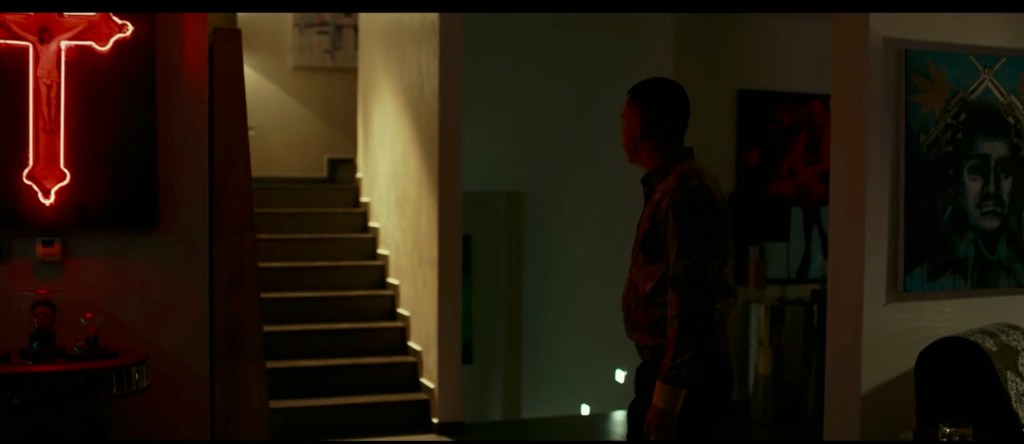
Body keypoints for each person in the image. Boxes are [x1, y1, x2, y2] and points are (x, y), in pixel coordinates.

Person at [619, 77, 737, 440]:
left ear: (640, 124)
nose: (621, 129)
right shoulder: (671, 188)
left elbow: (691, 297)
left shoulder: (684, 190)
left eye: (624, 119)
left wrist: (668, 398)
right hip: (673, 373)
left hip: (686, 382)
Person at [905, 102, 1024, 291]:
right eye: (977, 171)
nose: (992, 189)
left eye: (1004, 172)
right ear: (953, 183)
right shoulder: (918, 282)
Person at [0, 15, 97, 133]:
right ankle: (47, 122)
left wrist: (85, 25)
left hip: (53, 73)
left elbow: (71, 33)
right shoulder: (37, 42)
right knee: (44, 100)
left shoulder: (56, 41)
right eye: (43, 35)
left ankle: (52, 121)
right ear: (41, 36)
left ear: (49, 34)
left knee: (53, 99)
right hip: (42, 73)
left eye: (46, 34)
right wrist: (7, 23)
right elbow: (21, 33)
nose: (45, 36)